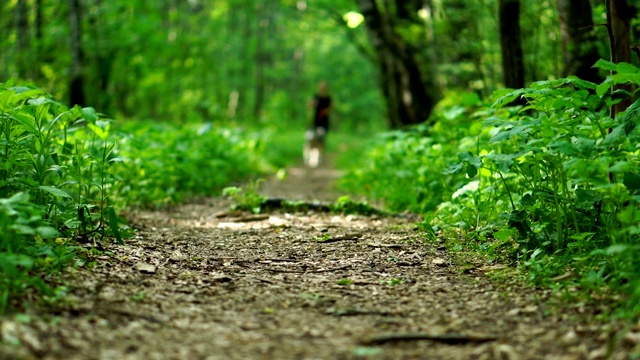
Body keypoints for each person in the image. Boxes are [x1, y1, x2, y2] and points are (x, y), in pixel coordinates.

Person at [304, 81, 332, 168]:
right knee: (311, 139)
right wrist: (312, 104)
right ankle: (309, 156)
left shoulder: (328, 98)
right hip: (314, 122)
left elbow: (330, 108)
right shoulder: (315, 96)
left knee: (321, 140)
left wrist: (325, 111)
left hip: (323, 122)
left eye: (324, 87)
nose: (322, 88)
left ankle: (319, 156)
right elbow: (309, 105)